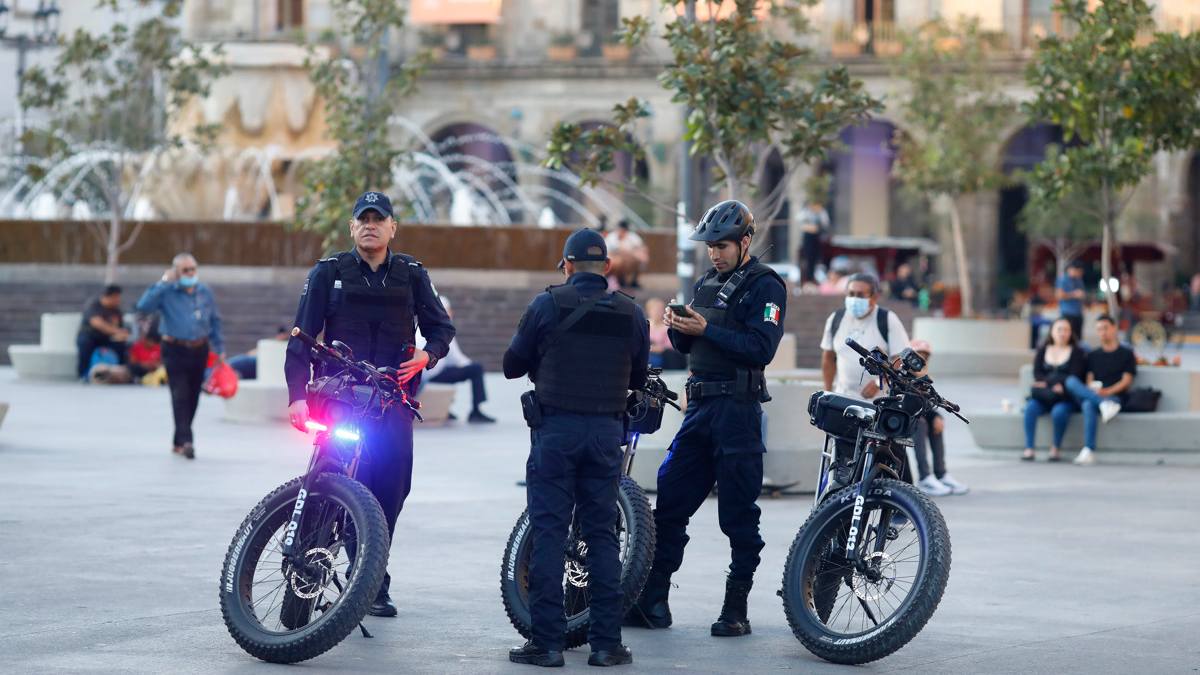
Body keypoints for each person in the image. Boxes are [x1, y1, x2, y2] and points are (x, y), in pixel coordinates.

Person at [284, 191, 456, 617]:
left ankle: (372, 578)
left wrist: (427, 355)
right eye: (363, 218)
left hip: (391, 399)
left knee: (391, 488)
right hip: (339, 395)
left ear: (392, 227)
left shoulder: (412, 274)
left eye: (379, 219)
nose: (371, 225)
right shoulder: (328, 272)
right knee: (325, 483)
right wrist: (295, 397)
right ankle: (306, 573)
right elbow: (301, 336)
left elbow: (441, 328)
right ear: (352, 227)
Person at [625, 199, 786, 640]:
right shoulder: (704, 283)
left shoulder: (765, 286)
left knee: (738, 517)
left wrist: (706, 330)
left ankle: (736, 609)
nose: (714, 253)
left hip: (738, 412)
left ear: (745, 242)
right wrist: (676, 327)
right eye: (710, 246)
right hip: (697, 410)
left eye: (722, 245)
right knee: (670, 506)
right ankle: (653, 601)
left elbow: (761, 348)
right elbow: (688, 346)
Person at [503, 228, 648, 667]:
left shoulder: (546, 303)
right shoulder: (632, 313)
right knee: (602, 536)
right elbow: (639, 378)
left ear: (565, 266)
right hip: (606, 434)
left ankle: (546, 644)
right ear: (606, 268)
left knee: (549, 532)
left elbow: (512, 365)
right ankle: (606, 645)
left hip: (556, 432)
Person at [819, 272, 910, 487]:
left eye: (860, 294)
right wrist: (828, 391)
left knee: (883, 458)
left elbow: (900, 359)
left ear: (874, 297)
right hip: (845, 402)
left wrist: (882, 380)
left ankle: (895, 502)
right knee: (842, 460)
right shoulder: (837, 318)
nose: (855, 299)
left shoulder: (887, 320)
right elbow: (828, 358)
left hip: (878, 406)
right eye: (851, 293)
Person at [136, 254, 224, 460]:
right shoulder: (166, 291)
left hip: (199, 348)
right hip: (174, 348)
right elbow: (143, 306)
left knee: (193, 396)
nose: (191, 273)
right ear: (176, 272)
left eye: (193, 269)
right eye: (185, 270)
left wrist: (219, 348)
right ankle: (187, 441)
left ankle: (178, 440)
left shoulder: (204, 292)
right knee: (179, 394)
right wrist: (164, 281)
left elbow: (215, 321)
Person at [1063, 314, 1136, 466]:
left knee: (1088, 404)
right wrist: (1094, 391)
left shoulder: (1127, 353)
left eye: (1105, 328)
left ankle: (1089, 449)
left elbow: (1126, 381)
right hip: (1097, 394)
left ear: (1114, 328)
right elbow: (1089, 378)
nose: (1102, 332)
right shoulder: (1092, 355)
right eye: (1099, 329)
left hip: (1115, 397)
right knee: (1072, 384)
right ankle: (1102, 407)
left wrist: (1107, 392)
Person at [906, 339, 969, 495]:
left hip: (916, 416)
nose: (922, 360)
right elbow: (908, 404)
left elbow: (927, 403)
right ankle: (925, 477)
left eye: (925, 357)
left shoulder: (923, 379)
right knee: (921, 423)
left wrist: (936, 416)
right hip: (900, 419)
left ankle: (941, 474)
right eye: (918, 356)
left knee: (936, 421)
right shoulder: (901, 376)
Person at [419, 296, 495, 423]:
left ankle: (446, 409)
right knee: (476, 369)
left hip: (421, 373)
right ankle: (476, 411)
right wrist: (471, 366)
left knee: (449, 369)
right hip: (431, 373)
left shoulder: (420, 325)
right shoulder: (443, 329)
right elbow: (458, 360)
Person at [1021, 318, 1087, 462]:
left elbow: (1074, 375)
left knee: (1059, 412)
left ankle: (1055, 448)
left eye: (1066, 330)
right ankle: (1029, 448)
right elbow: (1037, 373)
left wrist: (1049, 382)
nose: (1062, 333)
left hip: (1065, 397)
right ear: (1052, 332)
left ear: (1071, 333)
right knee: (1030, 408)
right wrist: (1052, 384)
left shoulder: (1077, 352)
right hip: (1045, 395)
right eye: (1059, 329)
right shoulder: (1043, 350)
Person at [76, 285, 130, 380]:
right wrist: (116, 331)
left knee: (122, 345)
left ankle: (121, 373)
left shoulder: (116, 310)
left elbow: (120, 327)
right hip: (91, 336)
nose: (118, 300)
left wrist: (121, 334)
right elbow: (97, 323)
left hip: (107, 338)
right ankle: (83, 374)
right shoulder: (94, 305)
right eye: (117, 297)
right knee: (85, 343)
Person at [604, 219, 650, 289]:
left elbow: (642, 248)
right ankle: (615, 280)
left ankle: (633, 281)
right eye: (620, 229)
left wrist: (640, 254)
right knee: (617, 261)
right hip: (614, 258)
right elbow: (608, 252)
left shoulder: (632, 236)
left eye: (624, 230)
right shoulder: (612, 237)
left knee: (639, 258)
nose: (622, 232)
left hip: (629, 259)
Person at [796, 200, 829, 283]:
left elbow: (825, 223)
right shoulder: (806, 212)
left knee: (815, 259)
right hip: (808, 238)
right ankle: (808, 277)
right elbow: (799, 219)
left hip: (816, 238)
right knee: (807, 259)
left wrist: (819, 211)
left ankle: (813, 277)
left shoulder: (821, 212)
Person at [1056, 260, 1087, 340]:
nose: (1080, 274)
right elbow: (1059, 295)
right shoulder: (1063, 280)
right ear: (1071, 269)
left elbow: (1082, 294)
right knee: (1068, 337)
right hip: (1068, 313)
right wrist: (1074, 294)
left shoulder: (1079, 280)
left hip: (1078, 313)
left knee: (1078, 337)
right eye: (1078, 272)